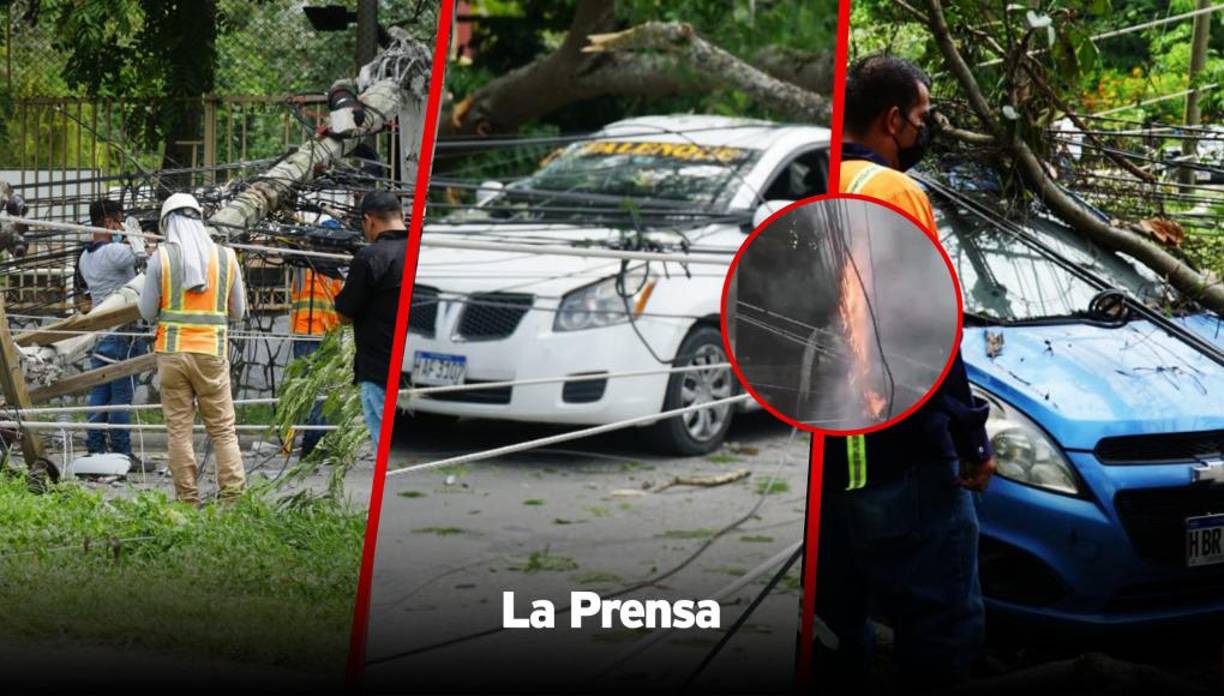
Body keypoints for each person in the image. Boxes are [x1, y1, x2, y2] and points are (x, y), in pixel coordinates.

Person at [815, 54, 997, 691]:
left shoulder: (807, 177)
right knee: (940, 629)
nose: (924, 133)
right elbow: (929, 329)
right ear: (893, 120)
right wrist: (971, 437)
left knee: (835, 629)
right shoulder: (890, 190)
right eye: (922, 119)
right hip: (895, 458)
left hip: (820, 463)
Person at [138, 193, 246, 506]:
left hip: (172, 355)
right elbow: (237, 312)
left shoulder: (162, 257)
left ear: (167, 223)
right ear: (199, 219)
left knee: (179, 431)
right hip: (211, 354)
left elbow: (146, 312)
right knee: (223, 429)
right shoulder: (227, 257)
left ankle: (187, 500)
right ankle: (232, 497)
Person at [79, 199, 151, 472]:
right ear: (109, 221)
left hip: (100, 334)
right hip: (124, 334)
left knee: (100, 391)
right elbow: (147, 259)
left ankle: (95, 447)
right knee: (122, 394)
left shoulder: (85, 257)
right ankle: (122, 453)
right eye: (120, 220)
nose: (122, 225)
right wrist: (140, 237)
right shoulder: (116, 252)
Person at [334, 190, 407, 452]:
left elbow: (344, 314)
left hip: (379, 371)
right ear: (401, 215)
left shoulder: (370, 257)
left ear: (369, 221)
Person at [288, 224, 344, 457]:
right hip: (320, 334)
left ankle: (313, 442)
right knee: (319, 390)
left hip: (309, 334)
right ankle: (314, 443)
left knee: (311, 390)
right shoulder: (335, 267)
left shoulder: (304, 265)